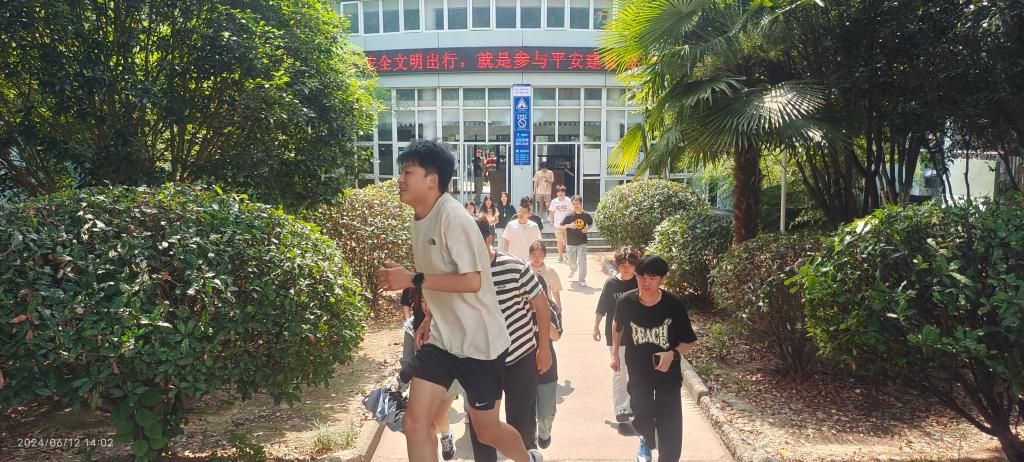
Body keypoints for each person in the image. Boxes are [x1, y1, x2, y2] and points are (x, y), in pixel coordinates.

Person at [376, 139, 542, 462]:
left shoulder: (453, 218)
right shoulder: (419, 217)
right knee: (414, 422)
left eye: (407, 172)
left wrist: (411, 279)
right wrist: (428, 318)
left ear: (432, 179)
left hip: (480, 345)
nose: (400, 179)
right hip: (443, 340)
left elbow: (472, 280)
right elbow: (437, 273)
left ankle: (527, 458)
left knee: (487, 430)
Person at [466, 216, 553, 462]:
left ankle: (526, 457)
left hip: (520, 357)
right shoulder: (460, 273)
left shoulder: (515, 267)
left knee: (521, 423)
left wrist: (544, 348)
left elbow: (542, 305)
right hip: (481, 360)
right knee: (482, 429)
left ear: (489, 240)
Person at [611, 255, 698, 462]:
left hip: (668, 370)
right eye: (641, 277)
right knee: (641, 409)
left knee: (669, 420)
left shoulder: (673, 304)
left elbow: (689, 342)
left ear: (662, 279)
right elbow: (617, 325)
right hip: (638, 368)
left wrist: (672, 354)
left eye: (652, 278)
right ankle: (646, 440)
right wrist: (615, 353)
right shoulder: (626, 302)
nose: (646, 282)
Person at [399, 290, 459, 459]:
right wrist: (402, 381)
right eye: (424, 301)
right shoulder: (411, 326)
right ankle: (432, 455)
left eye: (432, 301)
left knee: (438, 417)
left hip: (450, 381)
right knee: (426, 424)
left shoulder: (449, 323)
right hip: (422, 380)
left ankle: (446, 434)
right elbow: (407, 357)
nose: (428, 306)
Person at [594, 246, 640, 424]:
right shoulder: (611, 283)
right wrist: (596, 326)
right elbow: (602, 307)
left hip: (638, 334)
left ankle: (635, 405)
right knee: (619, 371)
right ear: (617, 265)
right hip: (615, 334)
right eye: (622, 265)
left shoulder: (640, 282)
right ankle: (622, 408)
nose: (626, 268)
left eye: (630, 264)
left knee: (636, 371)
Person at [527, 241, 563, 449]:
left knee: (547, 412)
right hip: (524, 364)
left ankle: (545, 431)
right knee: (526, 410)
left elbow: (556, 336)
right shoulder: (518, 309)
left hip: (547, 365)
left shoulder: (551, 308)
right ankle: (530, 441)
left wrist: (543, 312)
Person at [560, 195, 593, 286]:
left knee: (583, 262)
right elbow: (561, 226)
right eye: (574, 204)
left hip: (582, 242)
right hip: (570, 243)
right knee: (571, 261)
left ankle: (582, 279)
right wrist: (569, 225)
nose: (576, 206)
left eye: (578, 203)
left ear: (581, 203)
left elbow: (590, 224)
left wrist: (587, 228)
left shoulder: (586, 215)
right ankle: (573, 268)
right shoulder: (569, 216)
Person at [502, 197, 543, 262]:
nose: (521, 214)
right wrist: (505, 258)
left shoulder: (534, 226)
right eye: (519, 212)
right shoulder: (510, 225)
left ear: (529, 214)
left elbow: (537, 244)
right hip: (513, 261)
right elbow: (506, 243)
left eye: (524, 212)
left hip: (528, 261)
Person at [548, 185, 573, 263]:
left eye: (562, 192)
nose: (560, 193)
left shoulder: (569, 201)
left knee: (567, 241)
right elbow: (551, 211)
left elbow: (572, 211)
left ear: (564, 193)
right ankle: (560, 256)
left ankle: (567, 256)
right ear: (557, 193)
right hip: (557, 225)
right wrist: (551, 222)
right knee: (559, 241)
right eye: (559, 192)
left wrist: (571, 222)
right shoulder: (554, 201)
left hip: (567, 225)